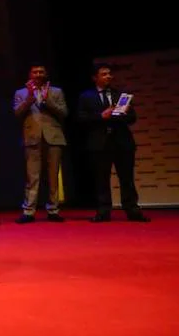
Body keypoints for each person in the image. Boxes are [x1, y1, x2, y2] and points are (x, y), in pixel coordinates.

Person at [77, 63, 151, 222]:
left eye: (109, 74)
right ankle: (103, 211)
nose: (108, 77)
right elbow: (81, 119)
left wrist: (119, 114)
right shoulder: (86, 96)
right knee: (101, 179)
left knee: (127, 178)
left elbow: (132, 118)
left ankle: (132, 210)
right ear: (94, 78)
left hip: (122, 142)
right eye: (104, 74)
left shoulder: (121, 95)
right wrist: (101, 116)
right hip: (99, 143)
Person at [13, 63, 68, 223]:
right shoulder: (21, 93)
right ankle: (29, 211)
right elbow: (17, 113)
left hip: (54, 138)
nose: (38, 74)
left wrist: (47, 100)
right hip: (32, 139)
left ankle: (53, 210)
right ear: (30, 74)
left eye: (41, 72)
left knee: (53, 177)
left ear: (46, 74)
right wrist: (30, 98)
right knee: (32, 177)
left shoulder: (56, 92)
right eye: (35, 72)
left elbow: (64, 113)